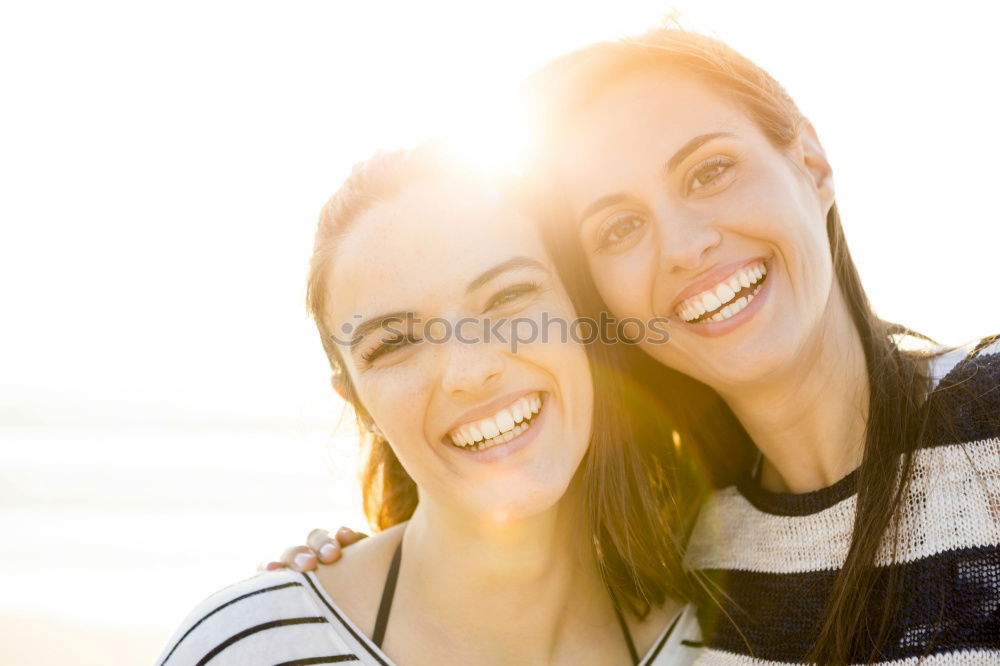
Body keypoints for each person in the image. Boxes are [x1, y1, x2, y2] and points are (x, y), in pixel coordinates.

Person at [271, 29, 1000, 665]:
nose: (685, 247)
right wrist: (327, 597)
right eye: (618, 227)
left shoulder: (987, 428)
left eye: (710, 171)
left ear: (811, 163)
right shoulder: (682, 554)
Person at [155, 145, 703, 666]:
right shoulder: (248, 650)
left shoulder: (719, 637)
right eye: (394, 343)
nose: (471, 370)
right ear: (360, 406)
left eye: (508, 297)